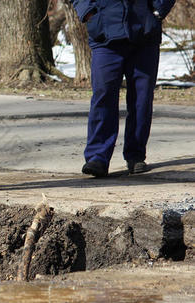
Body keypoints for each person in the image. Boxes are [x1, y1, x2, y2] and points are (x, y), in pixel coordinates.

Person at [70, 0, 175, 177]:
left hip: (145, 33)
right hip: (105, 33)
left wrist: (158, 10)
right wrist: (89, 13)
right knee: (103, 95)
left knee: (141, 99)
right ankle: (97, 157)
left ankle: (135, 156)